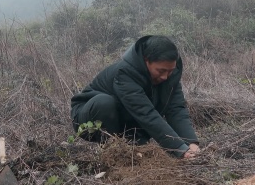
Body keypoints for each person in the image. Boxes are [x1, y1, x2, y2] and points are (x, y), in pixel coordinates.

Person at [70, 35, 200, 159]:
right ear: (146, 60)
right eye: (161, 71)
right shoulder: (125, 73)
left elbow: (176, 109)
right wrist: (179, 149)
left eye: (170, 71)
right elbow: (145, 113)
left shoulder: (171, 75)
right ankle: (114, 152)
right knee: (105, 103)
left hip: (126, 116)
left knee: (140, 151)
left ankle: (133, 146)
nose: (165, 77)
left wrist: (190, 143)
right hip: (88, 117)